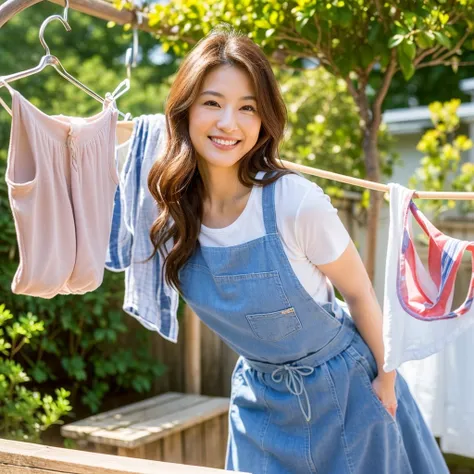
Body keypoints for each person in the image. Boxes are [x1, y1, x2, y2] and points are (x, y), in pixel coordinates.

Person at [147, 27, 449, 474]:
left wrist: (386, 382)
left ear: (264, 119)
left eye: (247, 108)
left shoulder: (294, 202)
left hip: (348, 394)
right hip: (259, 404)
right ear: (185, 109)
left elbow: (361, 295)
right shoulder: (176, 216)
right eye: (212, 102)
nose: (229, 123)